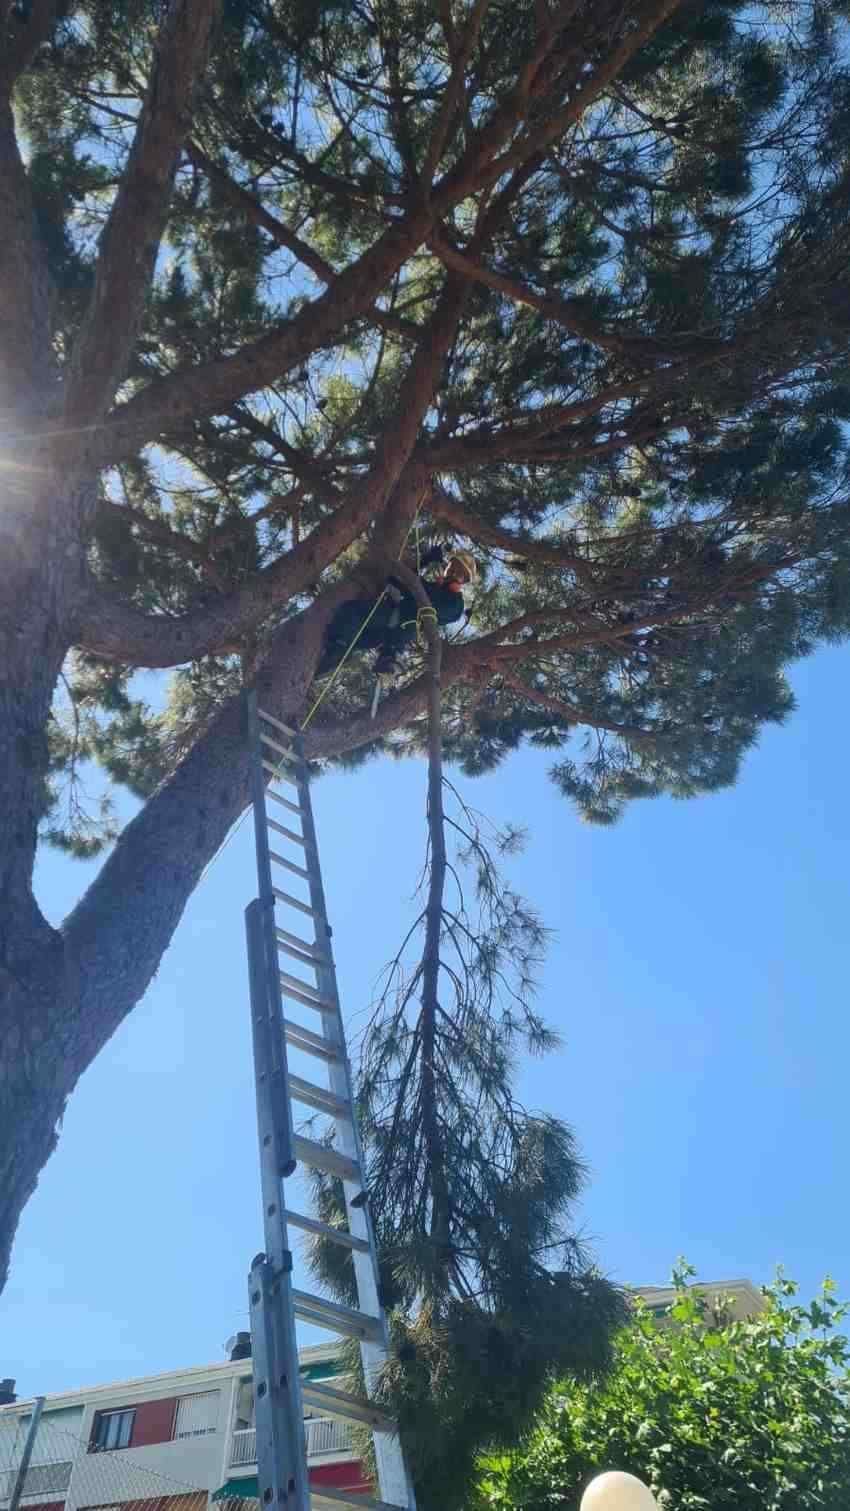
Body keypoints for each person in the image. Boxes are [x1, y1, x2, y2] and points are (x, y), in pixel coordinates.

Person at [318, 548, 479, 681]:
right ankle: (330, 658)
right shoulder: (435, 589)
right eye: (450, 568)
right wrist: (426, 559)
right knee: (352, 632)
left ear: (463, 581)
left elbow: (424, 598)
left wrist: (422, 580)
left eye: (456, 572)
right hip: (384, 628)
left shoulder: (455, 605)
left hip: (397, 627)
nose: (450, 573)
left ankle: (340, 650)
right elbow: (404, 579)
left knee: (352, 611)